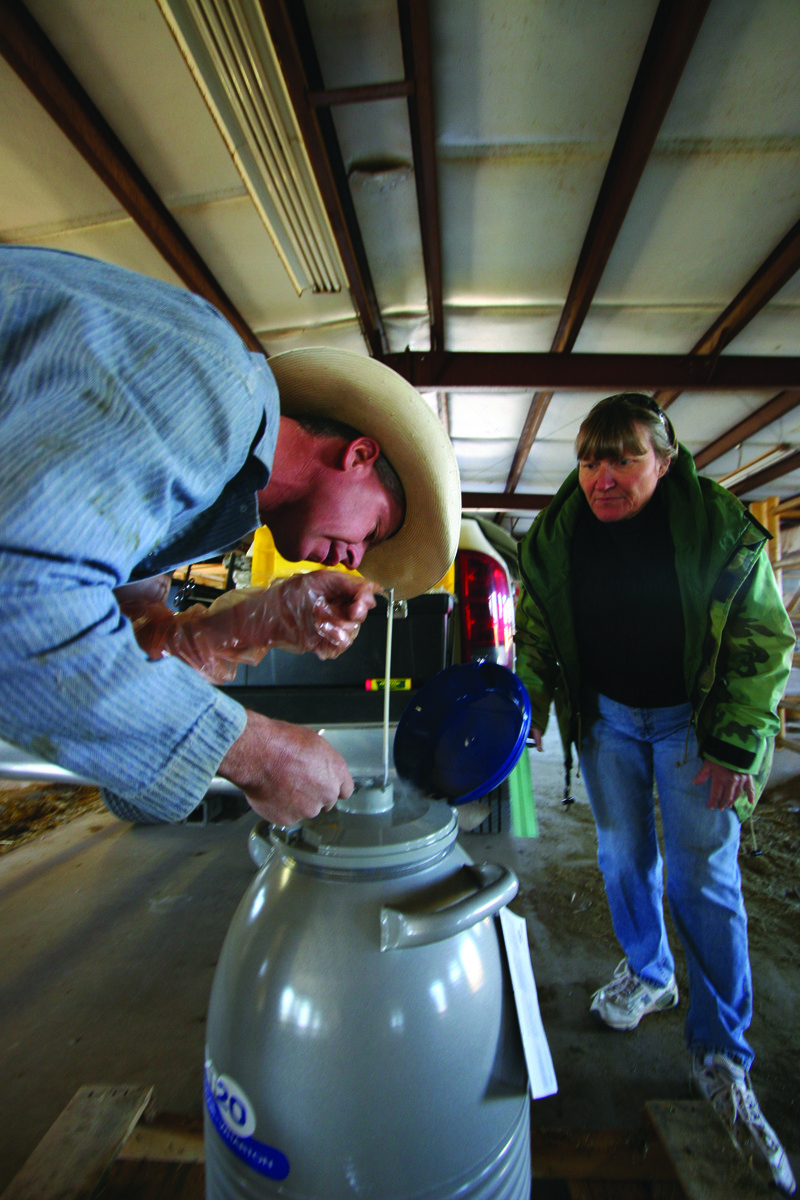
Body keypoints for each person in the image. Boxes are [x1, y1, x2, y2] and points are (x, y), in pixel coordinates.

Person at [0, 245, 460, 829]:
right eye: (372, 531)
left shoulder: (214, 497)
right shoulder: (219, 391)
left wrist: (251, 624)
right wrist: (252, 751)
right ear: (359, 454)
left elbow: (122, 637)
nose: (354, 560)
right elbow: (22, 602)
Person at [514, 392, 796, 1194]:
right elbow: (536, 630)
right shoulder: (561, 534)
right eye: (590, 459)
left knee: (702, 876)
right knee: (621, 854)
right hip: (606, 720)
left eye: (623, 458)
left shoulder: (717, 529)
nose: (602, 476)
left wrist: (739, 738)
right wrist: (523, 709)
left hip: (691, 727)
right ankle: (649, 970)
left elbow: (763, 637)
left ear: (664, 461)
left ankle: (721, 1058)